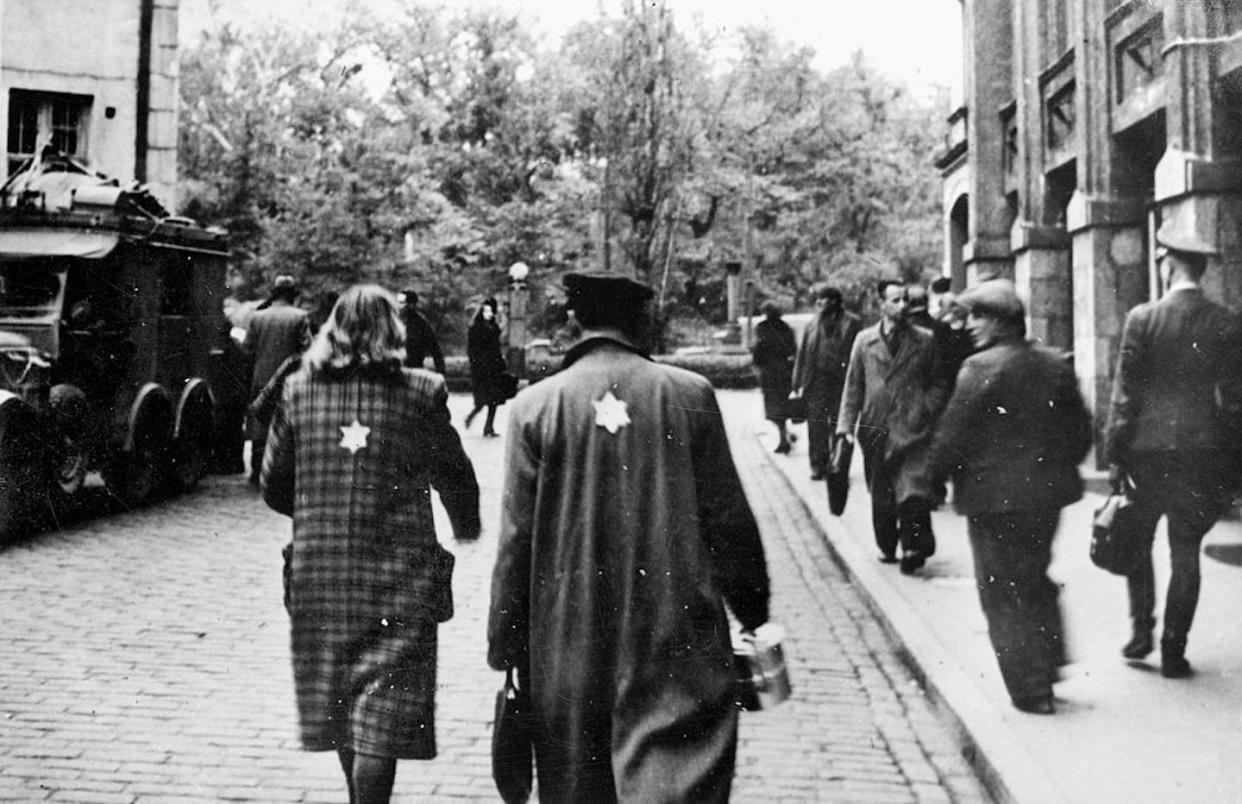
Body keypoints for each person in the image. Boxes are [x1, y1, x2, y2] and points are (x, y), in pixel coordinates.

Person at [488, 271, 770, 803]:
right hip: (676, 631)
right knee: (678, 780)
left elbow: (515, 542)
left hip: (567, 638)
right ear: (641, 321)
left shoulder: (534, 408)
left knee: (577, 783)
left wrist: (506, 645)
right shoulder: (689, 395)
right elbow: (728, 521)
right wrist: (754, 612)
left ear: (576, 321)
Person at [261, 284, 481, 804]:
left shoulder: (298, 391)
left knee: (342, 701)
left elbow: (273, 483)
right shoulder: (422, 391)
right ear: (393, 331)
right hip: (400, 580)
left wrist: (323, 511)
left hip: (320, 577)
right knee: (383, 709)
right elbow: (455, 473)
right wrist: (465, 523)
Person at [927, 279, 1092, 714]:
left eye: (979, 317)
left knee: (1001, 594)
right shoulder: (1056, 364)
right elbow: (1080, 435)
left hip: (993, 502)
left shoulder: (980, 367)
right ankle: (1048, 665)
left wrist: (929, 481)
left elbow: (951, 436)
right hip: (1046, 499)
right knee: (1034, 578)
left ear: (1003, 322)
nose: (971, 326)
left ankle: (1030, 689)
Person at [1104, 223, 1242, 679]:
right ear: (1199, 271)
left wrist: (1115, 454)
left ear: (1168, 265)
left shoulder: (1143, 318)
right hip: (1200, 457)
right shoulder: (1225, 321)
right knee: (1185, 551)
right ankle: (1172, 651)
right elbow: (1236, 399)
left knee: (1137, 541)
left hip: (1147, 452)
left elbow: (1125, 396)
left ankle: (1140, 631)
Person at [837, 278, 948, 574]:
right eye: (896, 300)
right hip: (875, 428)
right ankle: (887, 544)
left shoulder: (924, 339)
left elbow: (939, 382)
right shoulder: (864, 341)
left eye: (906, 300)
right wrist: (845, 428)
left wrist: (924, 407)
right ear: (881, 304)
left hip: (912, 428)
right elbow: (853, 387)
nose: (903, 306)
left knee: (913, 488)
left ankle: (913, 546)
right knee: (882, 492)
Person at [245, 275, 312, 485]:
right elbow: (308, 349)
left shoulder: (258, 317)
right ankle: (281, 474)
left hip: (261, 377)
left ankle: (257, 472)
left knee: (259, 424)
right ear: (292, 295)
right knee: (287, 425)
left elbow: (248, 348)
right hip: (288, 379)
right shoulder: (300, 316)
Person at [790, 285, 862, 479]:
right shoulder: (812, 324)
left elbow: (860, 355)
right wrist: (796, 385)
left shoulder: (852, 323)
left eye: (823, 299)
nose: (819, 303)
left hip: (842, 382)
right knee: (816, 425)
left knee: (841, 425)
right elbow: (802, 354)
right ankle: (818, 465)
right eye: (818, 299)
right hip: (816, 382)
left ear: (835, 301)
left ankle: (838, 465)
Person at [751, 300, 798, 453]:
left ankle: (783, 437)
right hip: (784, 371)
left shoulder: (762, 328)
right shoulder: (786, 328)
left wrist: (756, 365)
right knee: (782, 405)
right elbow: (793, 350)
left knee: (773, 406)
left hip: (769, 372)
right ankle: (785, 434)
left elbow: (758, 349)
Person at [464, 297, 510, 437]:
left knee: (494, 399)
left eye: (491, 311)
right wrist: (475, 363)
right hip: (481, 368)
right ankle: (471, 416)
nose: (488, 313)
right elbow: (471, 349)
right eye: (486, 310)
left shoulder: (493, 327)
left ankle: (489, 426)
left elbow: (500, 340)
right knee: (481, 399)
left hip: (494, 367)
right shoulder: (475, 328)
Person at [397, 288, 446, 374]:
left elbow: (436, 350)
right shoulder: (393, 322)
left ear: (411, 305)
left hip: (415, 371)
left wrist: (440, 373)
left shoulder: (421, 324)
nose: (397, 305)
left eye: (401, 303)